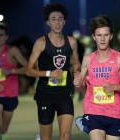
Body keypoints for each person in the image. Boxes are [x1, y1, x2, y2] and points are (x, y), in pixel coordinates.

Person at [74, 15, 120, 140]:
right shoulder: (87, 59)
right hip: (93, 111)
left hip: (115, 113)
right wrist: (78, 82)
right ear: (93, 37)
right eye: (99, 35)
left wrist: (114, 87)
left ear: (111, 36)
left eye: (106, 35)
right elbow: (80, 84)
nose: (102, 39)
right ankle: (86, 123)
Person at [26, 3, 80, 140]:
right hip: (45, 95)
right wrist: (49, 73)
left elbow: (75, 63)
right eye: (54, 19)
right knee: (46, 137)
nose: (57, 22)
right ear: (48, 22)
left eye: (60, 18)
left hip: (65, 94)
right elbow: (28, 70)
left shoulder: (72, 42)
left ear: (65, 21)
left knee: (66, 135)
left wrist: (77, 72)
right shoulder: (41, 42)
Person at [0, 22, 27, 140]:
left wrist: (11, 71)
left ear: (6, 37)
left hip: (10, 95)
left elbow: (28, 68)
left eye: (1, 35)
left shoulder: (12, 51)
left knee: (3, 129)